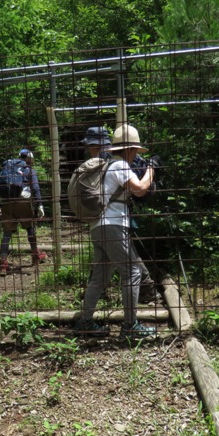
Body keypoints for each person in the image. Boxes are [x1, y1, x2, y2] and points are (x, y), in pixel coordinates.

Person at [73, 125, 158, 340]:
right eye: (136, 151)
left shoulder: (108, 165)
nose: (136, 155)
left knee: (100, 278)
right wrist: (150, 171)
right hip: (113, 225)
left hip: (97, 226)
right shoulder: (120, 164)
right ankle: (130, 326)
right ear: (129, 149)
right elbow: (139, 189)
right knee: (132, 272)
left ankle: (85, 322)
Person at [0, 148, 47, 276]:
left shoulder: (7, 168)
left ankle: (3, 263)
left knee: (7, 233)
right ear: (29, 158)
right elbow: (35, 188)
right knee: (29, 228)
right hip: (23, 202)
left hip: (6, 202)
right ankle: (35, 254)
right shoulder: (29, 170)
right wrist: (40, 205)